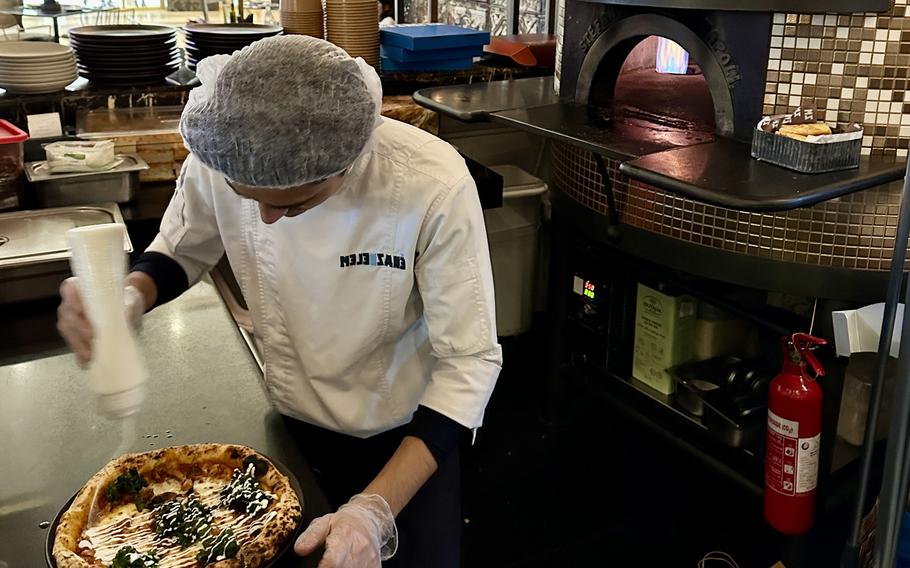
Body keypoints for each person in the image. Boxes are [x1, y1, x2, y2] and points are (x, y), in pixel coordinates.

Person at [56, 35, 501, 568]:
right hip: (289, 426)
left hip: (408, 438)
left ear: (352, 160)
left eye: (293, 205)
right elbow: (183, 246)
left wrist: (375, 511)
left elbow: (468, 362)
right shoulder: (224, 146)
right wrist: (130, 295)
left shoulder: (429, 183)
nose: (265, 218)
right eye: (250, 200)